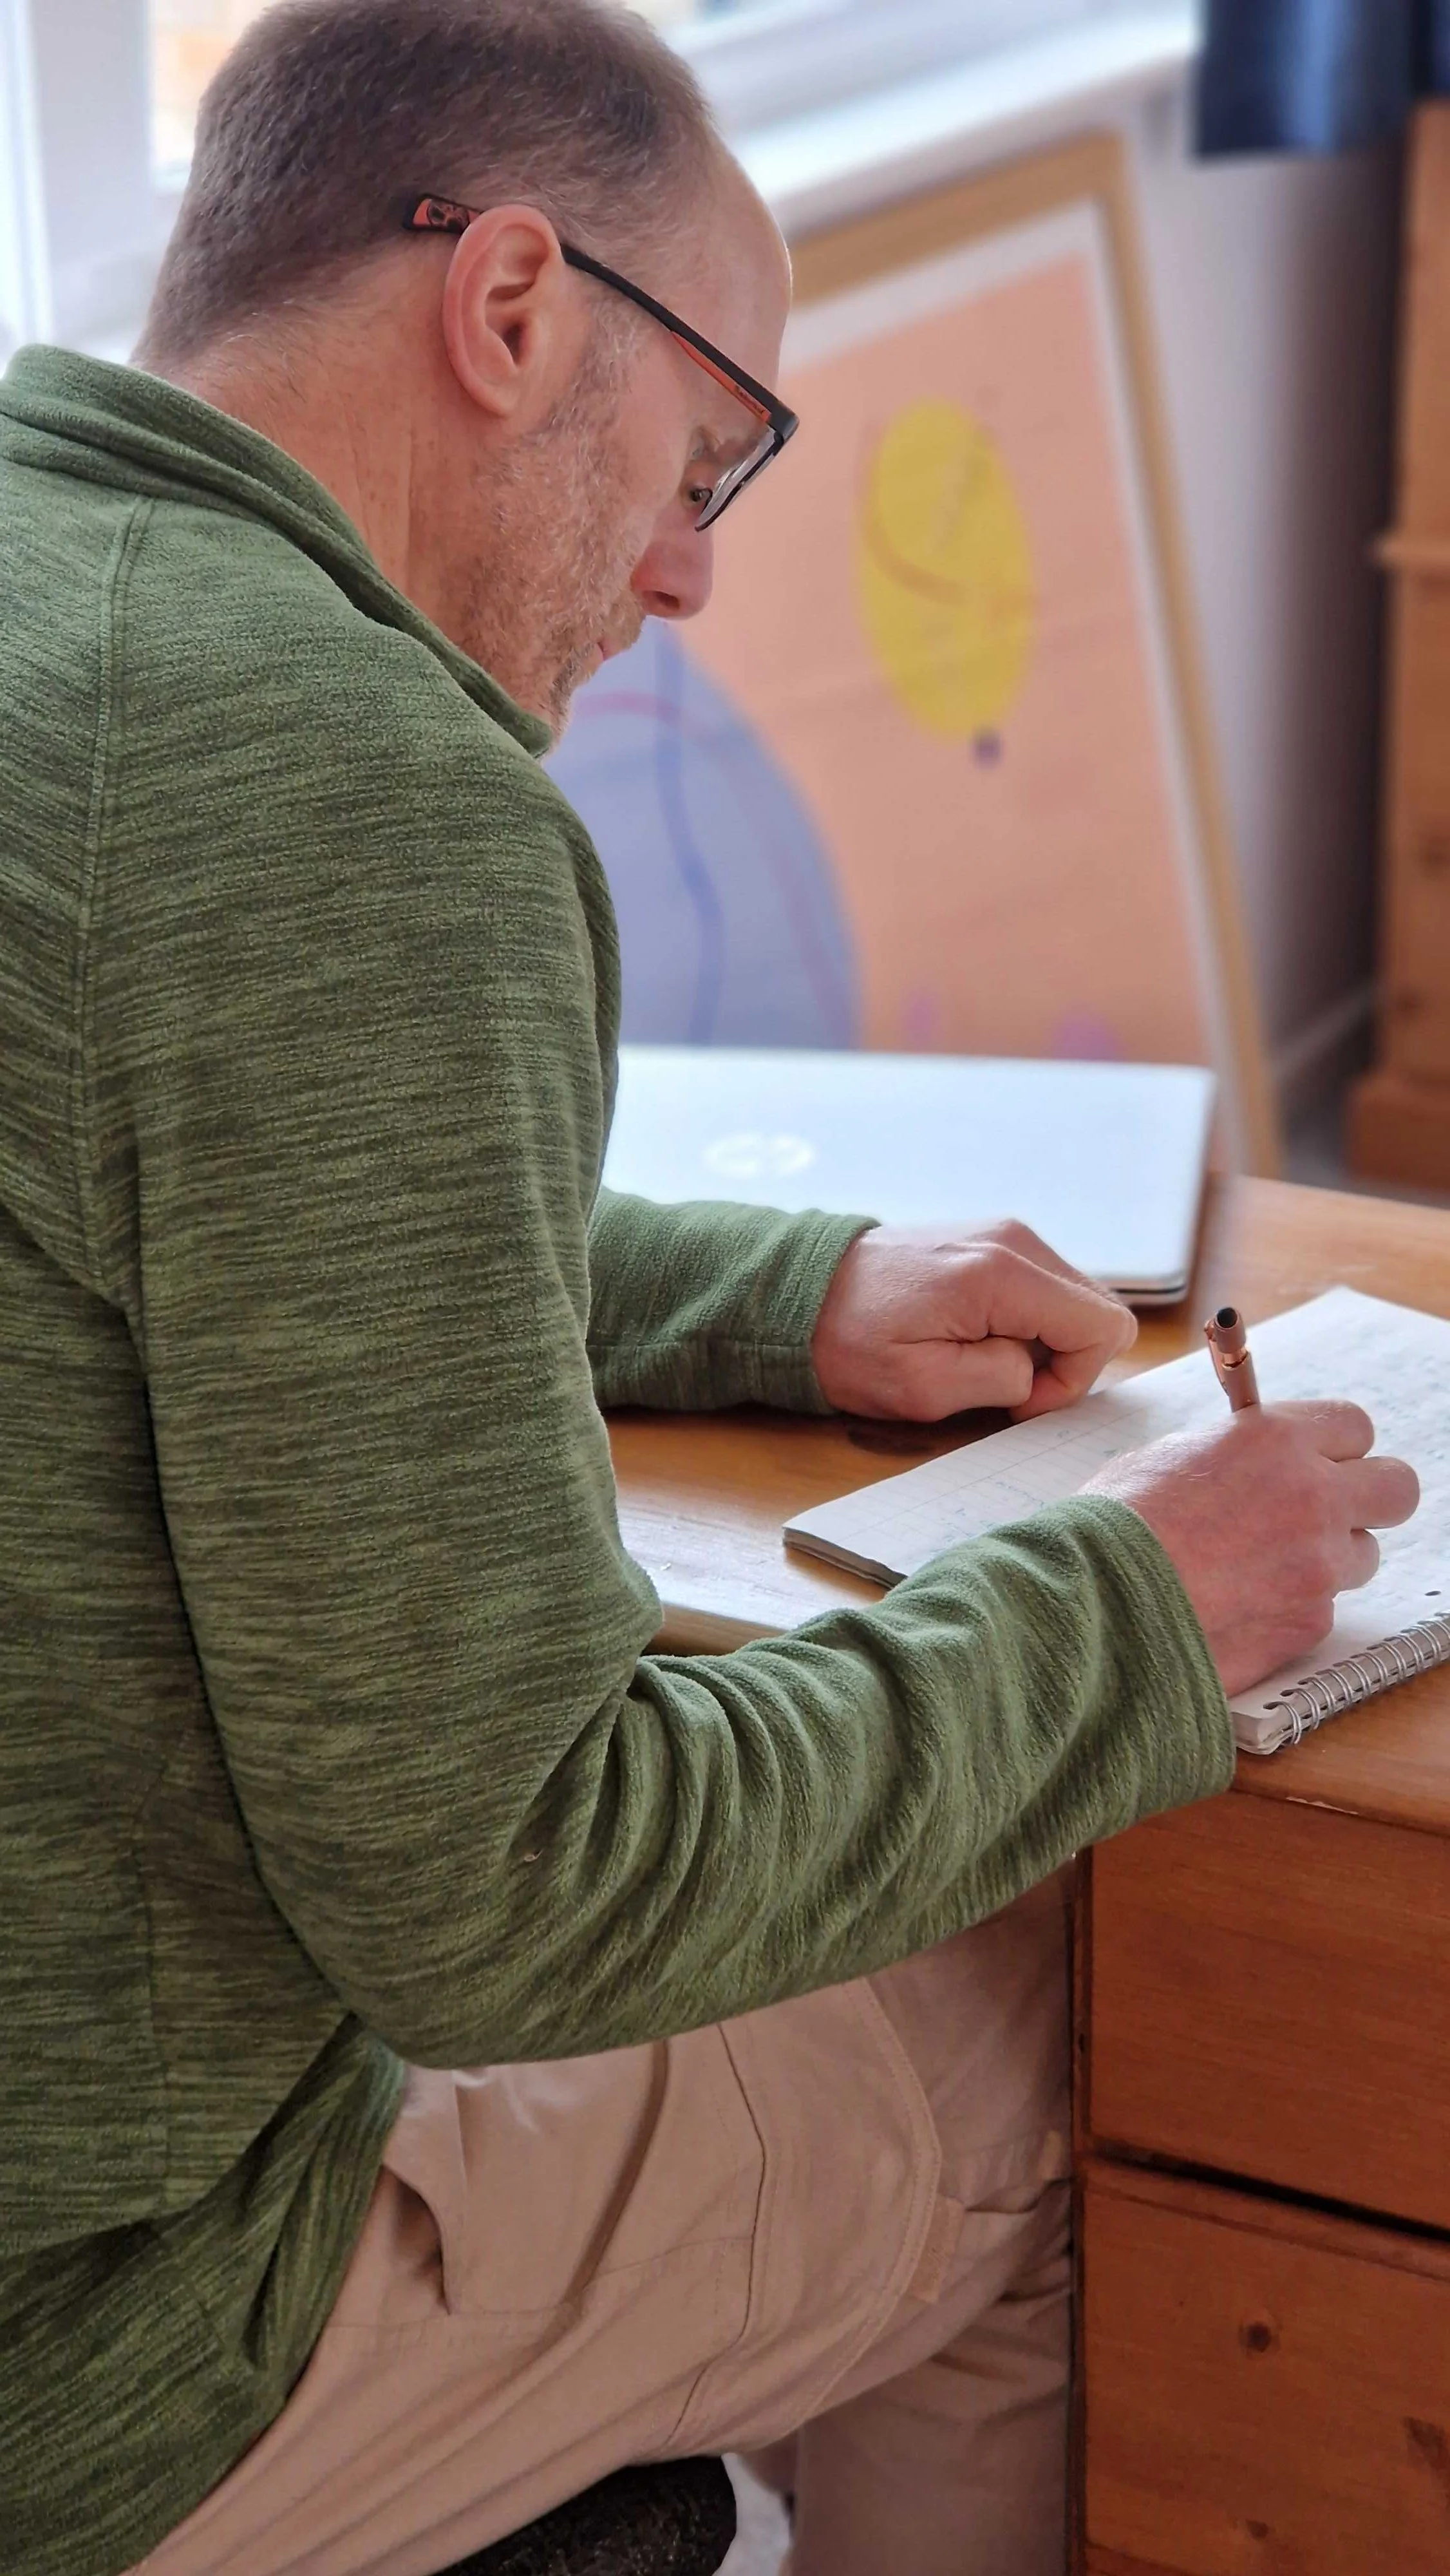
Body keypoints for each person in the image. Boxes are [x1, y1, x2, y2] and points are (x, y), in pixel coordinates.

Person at [0, 4, 1418, 2572]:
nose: (687, 566)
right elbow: (519, 1880)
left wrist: (782, 1294)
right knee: (1026, 2057)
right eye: (711, 456)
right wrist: (1132, 1609)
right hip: (84, 2356)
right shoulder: (358, 794)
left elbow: (157, 1202)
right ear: (512, 306)